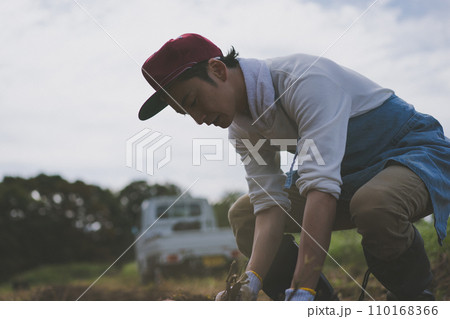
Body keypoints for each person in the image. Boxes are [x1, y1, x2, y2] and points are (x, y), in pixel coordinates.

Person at [137, 33, 450, 301]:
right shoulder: (242, 129)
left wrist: (303, 288)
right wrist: (251, 283)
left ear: (217, 70)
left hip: (411, 153)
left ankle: (415, 303)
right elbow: (269, 204)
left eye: (192, 101)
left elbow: (321, 189)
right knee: (244, 214)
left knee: (373, 204)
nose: (199, 119)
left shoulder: (304, 80)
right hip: (345, 178)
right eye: (185, 113)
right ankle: (324, 309)